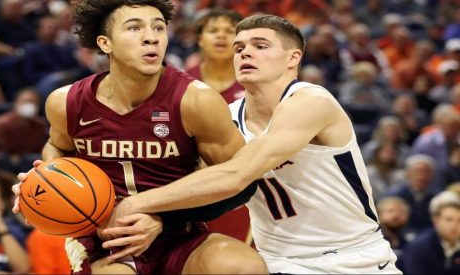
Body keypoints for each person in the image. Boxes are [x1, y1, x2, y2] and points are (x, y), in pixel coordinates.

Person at [105, 14, 401, 274]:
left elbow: (238, 174)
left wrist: (137, 204)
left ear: (293, 58)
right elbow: (194, 185)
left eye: (260, 46)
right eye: (240, 48)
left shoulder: (312, 101)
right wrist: (160, 219)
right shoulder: (226, 117)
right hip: (277, 261)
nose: (246, 53)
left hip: (351, 258)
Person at [12, 0, 266, 275]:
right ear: (105, 43)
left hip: (179, 231)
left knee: (244, 267)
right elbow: (58, 146)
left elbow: (242, 181)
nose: (151, 38)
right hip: (105, 238)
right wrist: (44, 182)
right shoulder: (65, 102)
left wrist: (161, 220)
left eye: (158, 28)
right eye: (134, 28)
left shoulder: (195, 100)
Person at [185, 9, 248, 242]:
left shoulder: (255, 81)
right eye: (213, 31)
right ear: (200, 39)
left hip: (246, 183)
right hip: (193, 185)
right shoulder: (181, 83)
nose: (221, 37)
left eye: (230, 31)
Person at [401, 191, 460, 275]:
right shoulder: (418, 248)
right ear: (436, 221)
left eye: (459, 220)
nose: (455, 225)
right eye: (449, 220)